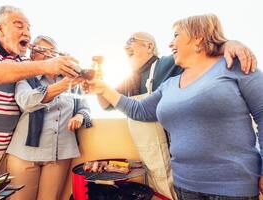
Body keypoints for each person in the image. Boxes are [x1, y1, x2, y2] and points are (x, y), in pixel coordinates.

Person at [86, 14, 263, 199]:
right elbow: (139, 110)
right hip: (185, 186)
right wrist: (102, 88)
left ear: (198, 37)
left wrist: (229, 43)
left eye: (176, 35)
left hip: (233, 187)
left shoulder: (235, 66)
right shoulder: (169, 84)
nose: (170, 43)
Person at [0, 5, 80, 176]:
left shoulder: (22, 62)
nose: (27, 33)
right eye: (19, 25)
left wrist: (67, 70)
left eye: (28, 28)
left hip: (2, 152)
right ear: (0, 29)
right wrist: (49, 64)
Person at [6, 35, 92, 200]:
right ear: (33, 56)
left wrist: (80, 116)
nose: (48, 56)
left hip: (59, 154)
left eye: (52, 52)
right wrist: (61, 86)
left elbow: (84, 107)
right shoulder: (26, 78)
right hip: (25, 154)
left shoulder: (72, 81)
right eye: (42, 52)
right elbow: (26, 102)